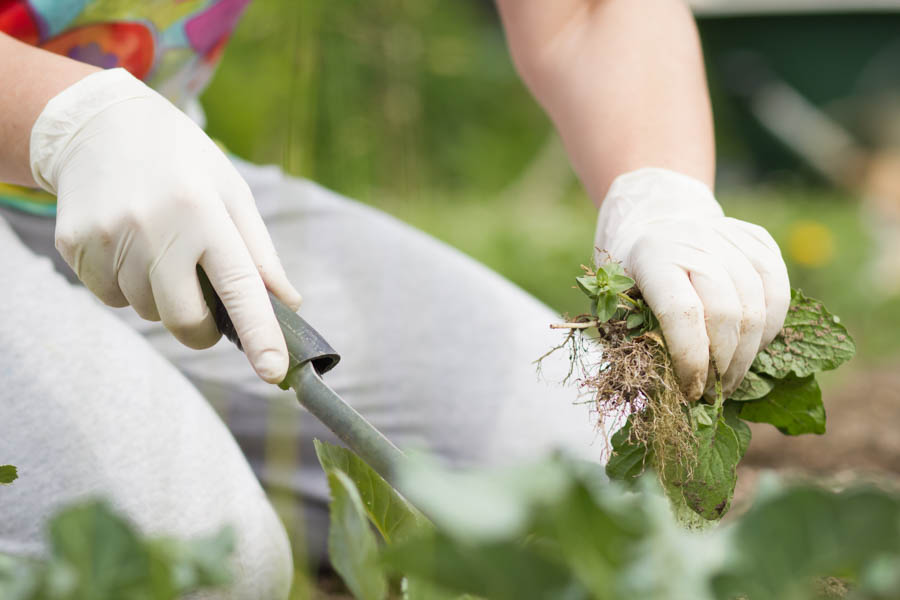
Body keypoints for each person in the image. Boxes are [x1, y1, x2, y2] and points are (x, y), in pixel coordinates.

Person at [0, 0, 790, 596]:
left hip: (167, 178)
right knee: (186, 567)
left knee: (584, 494)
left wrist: (661, 193)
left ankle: (181, 436)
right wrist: (66, 122)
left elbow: (585, 15)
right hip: (87, 144)